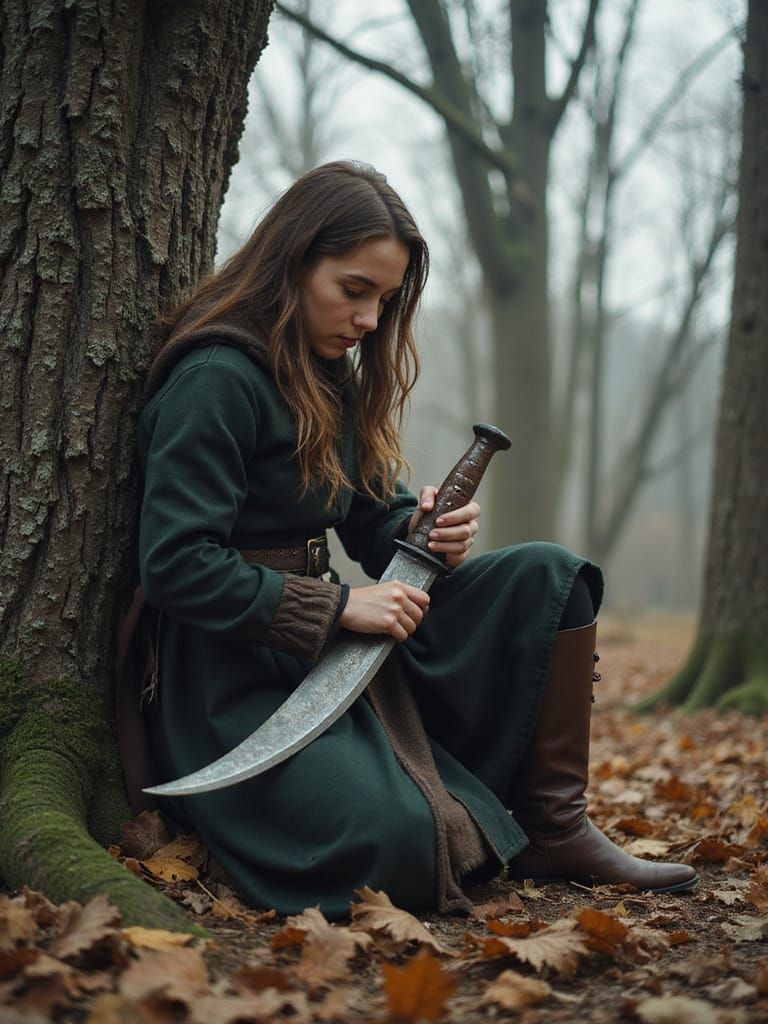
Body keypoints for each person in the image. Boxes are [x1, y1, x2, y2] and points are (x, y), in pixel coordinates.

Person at [130, 161, 697, 918]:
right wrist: (339, 610)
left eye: (385, 300)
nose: (369, 319)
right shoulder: (216, 378)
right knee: (396, 843)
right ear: (292, 262)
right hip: (227, 680)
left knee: (548, 577)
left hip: (334, 648)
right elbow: (174, 566)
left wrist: (418, 530)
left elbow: (372, 521)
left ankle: (553, 826)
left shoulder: (331, 375)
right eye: (353, 289)